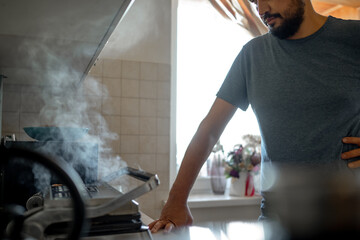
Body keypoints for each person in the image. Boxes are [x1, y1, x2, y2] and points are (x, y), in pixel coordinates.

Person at [149, 0, 360, 233]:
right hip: (277, 221)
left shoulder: (353, 38)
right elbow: (209, 131)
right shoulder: (253, 55)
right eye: (254, 1)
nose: (261, 9)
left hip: (349, 218)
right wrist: (176, 202)